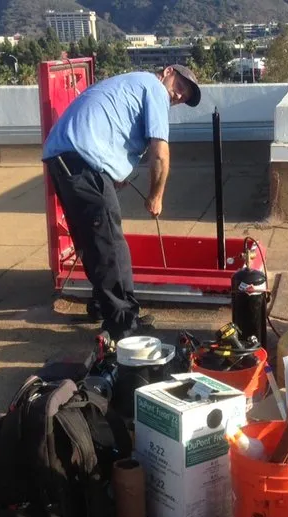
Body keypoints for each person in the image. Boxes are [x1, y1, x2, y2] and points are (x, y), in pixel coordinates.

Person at [43, 64, 202, 341]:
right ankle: (124, 326)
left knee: (93, 242)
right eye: (179, 87)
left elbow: (111, 125)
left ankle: (103, 306)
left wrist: (115, 172)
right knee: (111, 246)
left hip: (63, 159)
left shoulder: (131, 83)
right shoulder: (155, 89)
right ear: (167, 72)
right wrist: (156, 196)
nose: (178, 96)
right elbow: (160, 154)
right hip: (82, 163)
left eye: (184, 97)